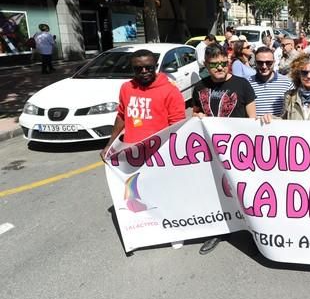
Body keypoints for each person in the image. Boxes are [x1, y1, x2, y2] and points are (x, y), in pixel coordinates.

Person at [99, 49, 186, 248]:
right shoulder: (126, 88)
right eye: (139, 68)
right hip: (132, 154)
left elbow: (177, 126)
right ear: (133, 69)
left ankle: (175, 230)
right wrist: (110, 145)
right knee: (137, 194)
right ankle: (146, 229)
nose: (144, 71)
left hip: (160, 154)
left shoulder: (170, 90)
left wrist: (172, 154)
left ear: (156, 66)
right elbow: (122, 116)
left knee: (166, 193)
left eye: (149, 67)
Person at [192, 44, 256, 255]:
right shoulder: (200, 86)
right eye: (214, 64)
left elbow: (252, 119)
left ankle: (253, 233)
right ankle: (218, 230)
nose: (219, 68)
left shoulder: (243, 84)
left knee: (243, 192)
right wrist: (198, 116)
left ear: (228, 62)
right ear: (206, 65)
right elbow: (195, 114)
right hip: (211, 152)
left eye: (223, 63)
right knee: (216, 192)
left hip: (239, 151)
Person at [248, 46, 294, 120]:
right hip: (255, 129)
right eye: (260, 63)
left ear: (274, 62)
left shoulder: (287, 83)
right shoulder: (247, 83)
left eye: (268, 62)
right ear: (255, 63)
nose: (264, 66)